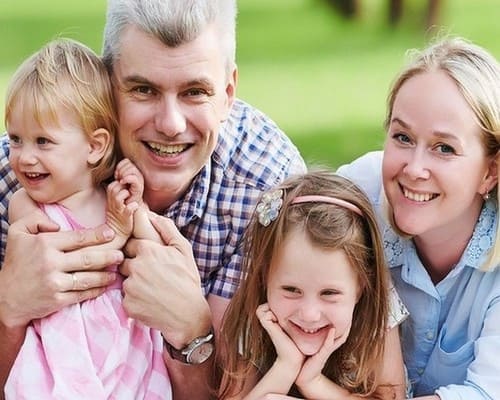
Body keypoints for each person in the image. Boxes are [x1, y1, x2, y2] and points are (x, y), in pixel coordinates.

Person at [0, 1, 306, 398]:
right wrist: (9, 311)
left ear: (228, 93)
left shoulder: (265, 188)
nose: (170, 124)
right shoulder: (22, 172)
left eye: (195, 92)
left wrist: (194, 330)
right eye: (143, 89)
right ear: (107, 86)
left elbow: (244, 390)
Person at [3, 38, 171, 399]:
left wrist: (132, 205)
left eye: (43, 142)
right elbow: (65, 253)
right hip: (60, 339)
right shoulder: (24, 204)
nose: (23, 157)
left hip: (120, 338)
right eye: (16, 139)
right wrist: (116, 230)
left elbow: (147, 251)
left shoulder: (108, 198)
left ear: (94, 147)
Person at [337, 36, 500, 399]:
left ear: (491, 171)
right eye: (403, 137)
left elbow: (486, 393)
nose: (414, 169)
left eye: (444, 148)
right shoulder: (355, 197)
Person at [216, 171, 408, 400]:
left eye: (329, 293)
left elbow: (392, 397)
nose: (309, 314)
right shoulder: (255, 318)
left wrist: (313, 382)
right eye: (291, 290)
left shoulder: (378, 309)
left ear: (361, 286)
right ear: (264, 277)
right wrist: (286, 366)